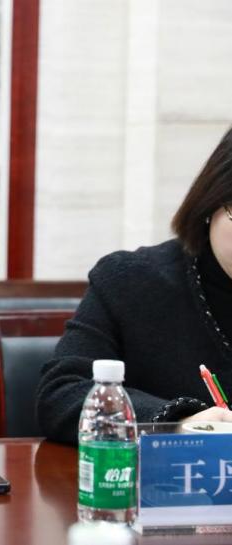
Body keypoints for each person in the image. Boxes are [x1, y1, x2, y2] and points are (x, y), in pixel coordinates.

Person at [37, 126, 232, 444]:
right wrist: (177, 423)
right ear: (210, 203)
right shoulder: (129, 281)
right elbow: (62, 393)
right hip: (151, 474)